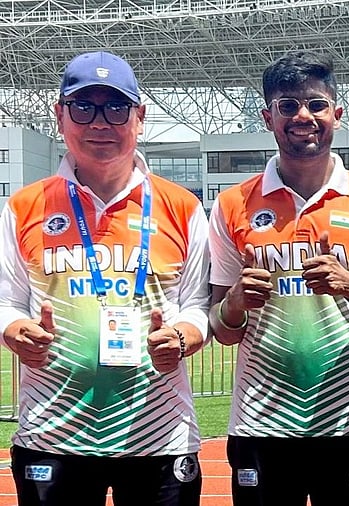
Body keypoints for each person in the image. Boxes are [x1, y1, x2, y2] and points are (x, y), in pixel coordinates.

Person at [0, 51, 209, 505]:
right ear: (60, 116)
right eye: (83, 107)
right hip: (53, 436)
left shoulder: (182, 207)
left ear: (140, 117)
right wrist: (15, 330)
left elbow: (197, 304)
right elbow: (6, 302)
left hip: (159, 437)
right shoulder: (22, 207)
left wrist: (182, 335)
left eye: (116, 108)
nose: (100, 123)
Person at [208, 51, 349, 506]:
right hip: (262, 427)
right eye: (288, 105)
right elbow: (221, 329)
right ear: (268, 116)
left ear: (336, 112)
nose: (303, 116)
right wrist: (235, 302)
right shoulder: (231, 204)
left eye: (315, 104)